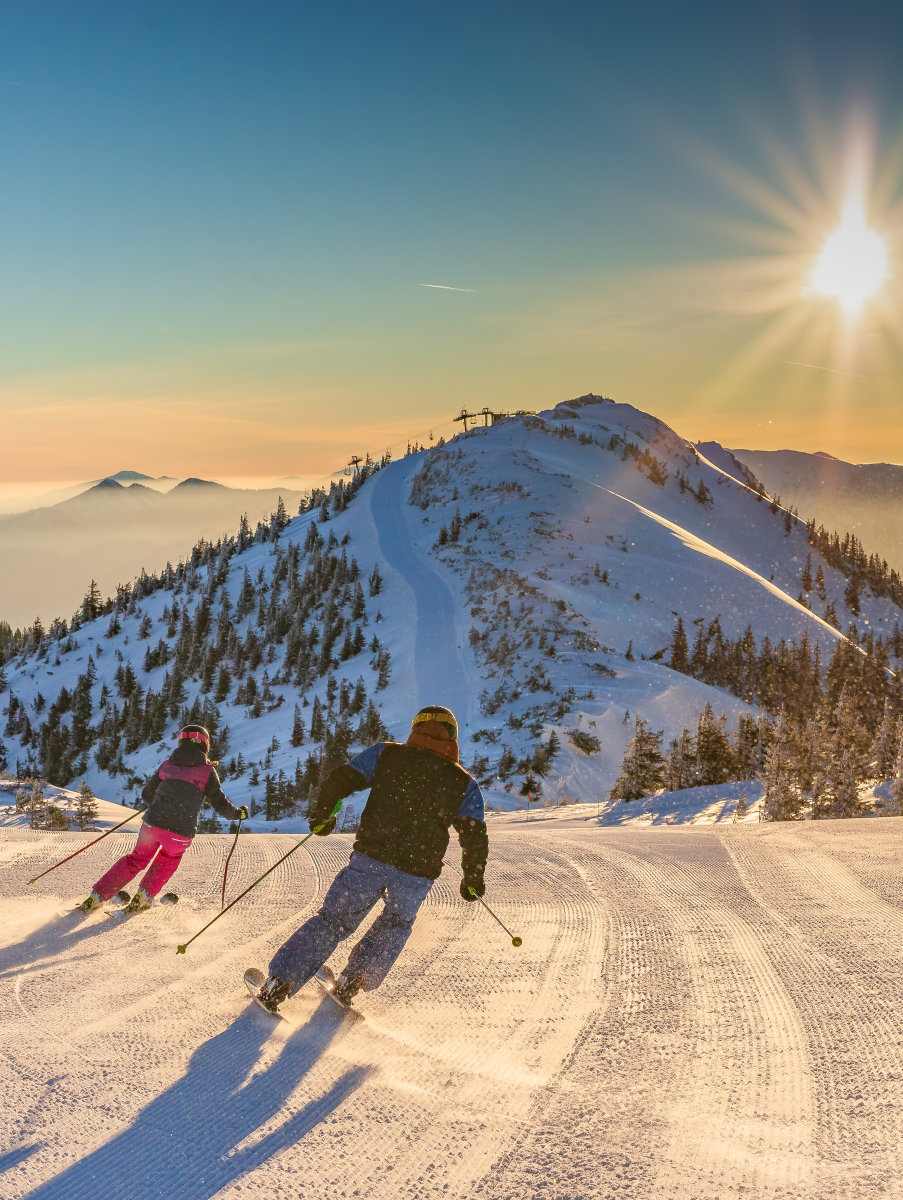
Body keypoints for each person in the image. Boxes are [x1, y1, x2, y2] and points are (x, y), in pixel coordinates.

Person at [257, 705, 488, 1011]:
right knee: (395, 924)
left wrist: (323, 813)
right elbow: (474, 833)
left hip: (373, 856)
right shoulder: (464, 782)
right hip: (418, 871)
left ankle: (279, 983)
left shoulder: (386, 754)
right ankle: (354, 981)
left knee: (334, 921)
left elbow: (342, 778)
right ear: (453, 737)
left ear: (414, 729)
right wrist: (473, 875)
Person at [78, 724, 247, 914]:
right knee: (169, 859)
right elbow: (220, 803)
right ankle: (143, 898)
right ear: (205, 745)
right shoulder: (207, 771)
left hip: (153, 824)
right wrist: (238, 814)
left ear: (181, 740)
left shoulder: (167, 764)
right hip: (180, 832)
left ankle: (97, 896)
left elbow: (147, 793)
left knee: (136, 859)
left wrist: (157, 803)